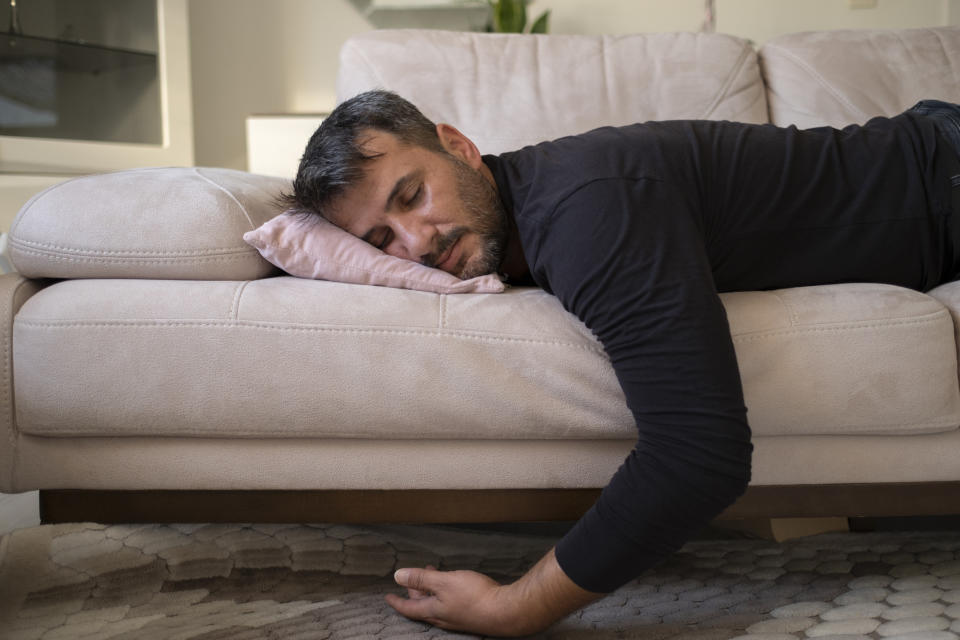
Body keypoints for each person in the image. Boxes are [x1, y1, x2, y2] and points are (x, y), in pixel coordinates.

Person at [283, 90, 960, 636]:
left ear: (458, 147)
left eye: (411, 195)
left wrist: (514, 607)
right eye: (380, 240)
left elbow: (701, 455)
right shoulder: (535, 202)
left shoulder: (588, 214)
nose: (416, 243)